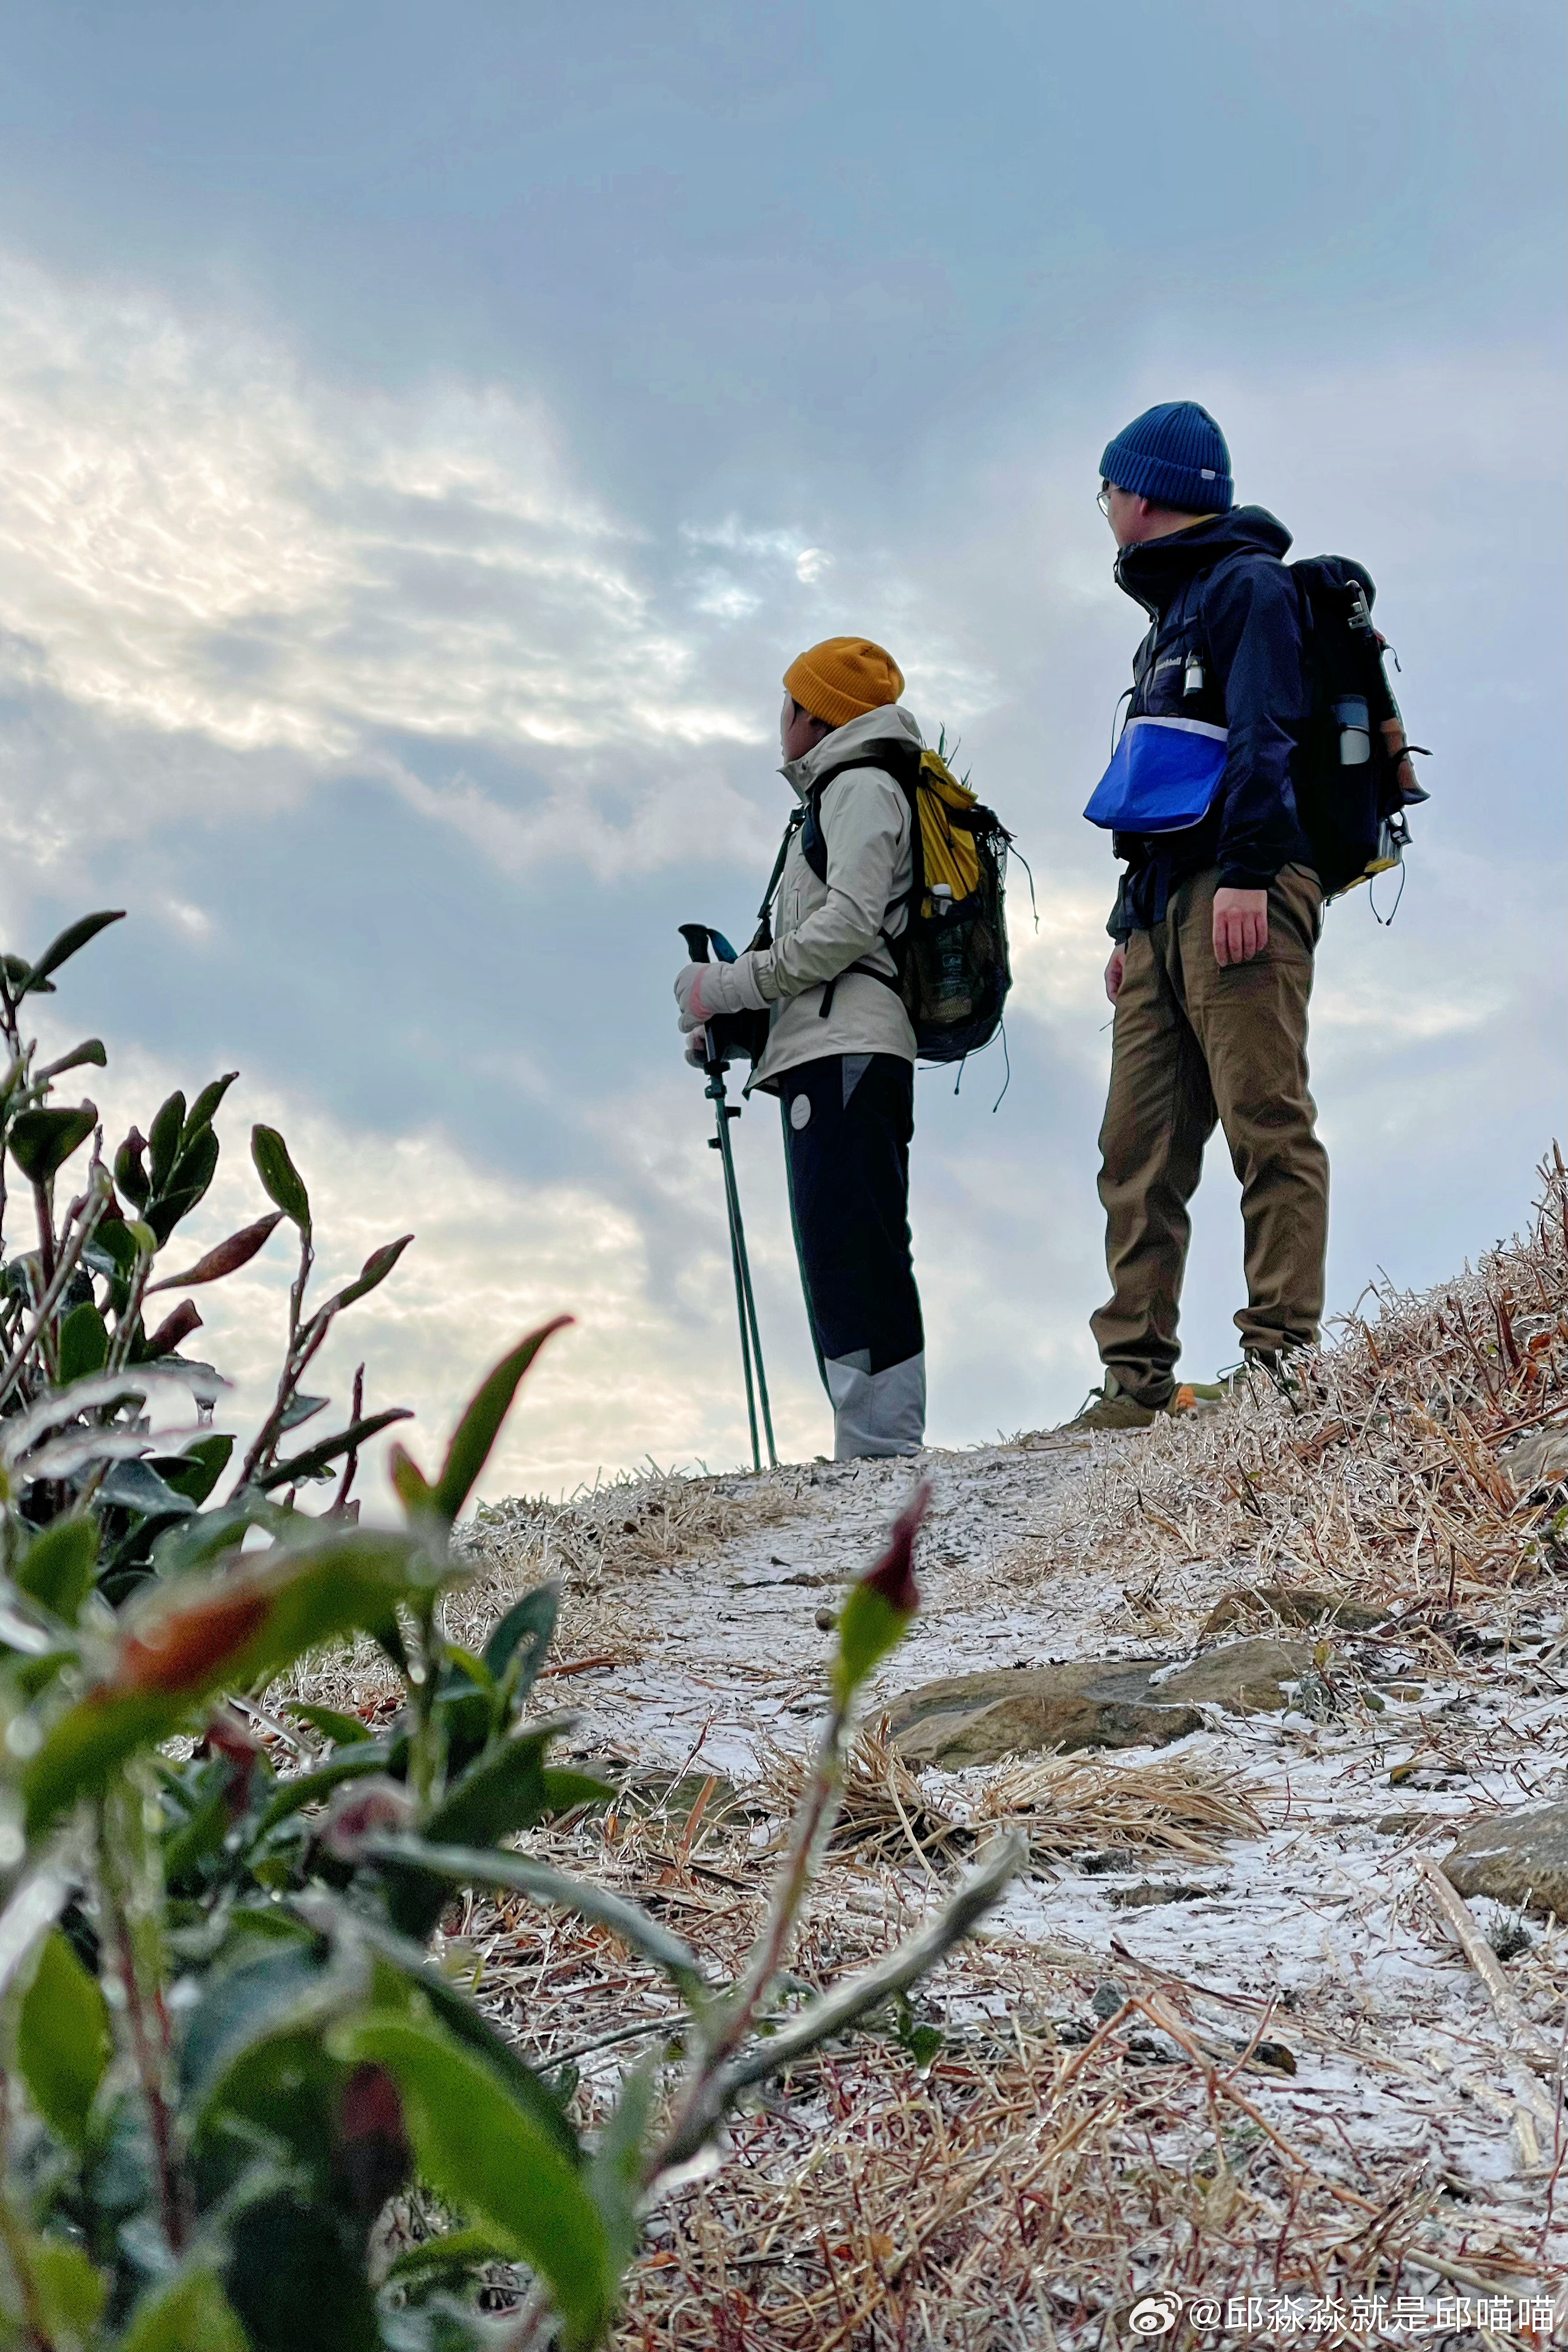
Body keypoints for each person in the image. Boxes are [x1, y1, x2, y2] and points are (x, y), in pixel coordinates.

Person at [1072, 400, 1330, 1431]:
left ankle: (1281, 1368)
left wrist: (1248, 875)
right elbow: (1157, 790)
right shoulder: (1167, 617)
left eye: (1105, 491)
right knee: (1136, 1149)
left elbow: (1268, 734)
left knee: (1265, 1121)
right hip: (1164, 911)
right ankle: (1134, 1385)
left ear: (1141, 493)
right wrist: (1127, 929)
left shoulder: (1248, 587)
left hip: (1240, 889)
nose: (1103, 509)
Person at [674, 637, 926, 1459]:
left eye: (787, 702)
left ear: (816, 715)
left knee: (852, 1244)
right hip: (833, 1044)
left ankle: (882, 1453)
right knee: (842, 1242)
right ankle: (873, 1445)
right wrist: (738, 1020)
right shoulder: (843, 792)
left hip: (847, 1048)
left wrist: (728, 989)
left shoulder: (857, 786)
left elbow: (849, 927)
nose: (778, 718)